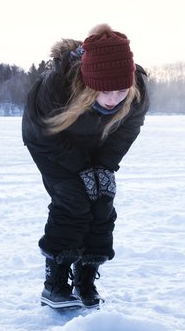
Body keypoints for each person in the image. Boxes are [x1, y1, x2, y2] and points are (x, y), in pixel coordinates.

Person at [22, 24, 149, 310]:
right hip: (50, 145)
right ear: (87, 83)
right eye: (106, 91)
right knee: (73, 201)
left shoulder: (137, 88)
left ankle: (86, 280)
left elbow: (128, 131)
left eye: (121, 90)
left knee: (102, 199)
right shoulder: (56, 86)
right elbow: (43, 134)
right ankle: (54, 284)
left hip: (97, 147)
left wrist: (103, 166)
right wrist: (81, 167)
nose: (114, 98)